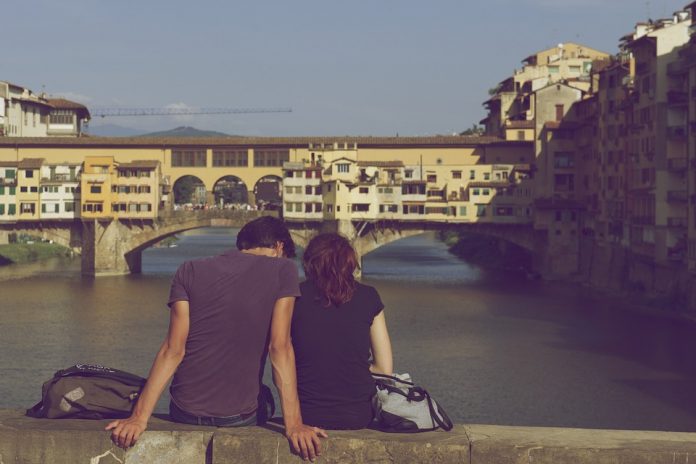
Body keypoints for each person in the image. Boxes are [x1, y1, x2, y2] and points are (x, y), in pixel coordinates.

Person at [106, 216, 327, 460]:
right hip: (238, 417)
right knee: (263, 397)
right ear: (279, 247)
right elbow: (280, 348)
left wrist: (138, 419)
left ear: (242, 244)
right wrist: (294, 424)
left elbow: (173, 350)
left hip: (183, 410)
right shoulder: (283, 269)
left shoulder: (188, 269)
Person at [291, 233, 393, 430]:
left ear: (309, 263)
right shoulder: (369, 296)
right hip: (358, 415)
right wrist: (352, 365)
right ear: (350, 262)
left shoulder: (293, 297)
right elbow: (384, 369)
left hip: (306, 414)